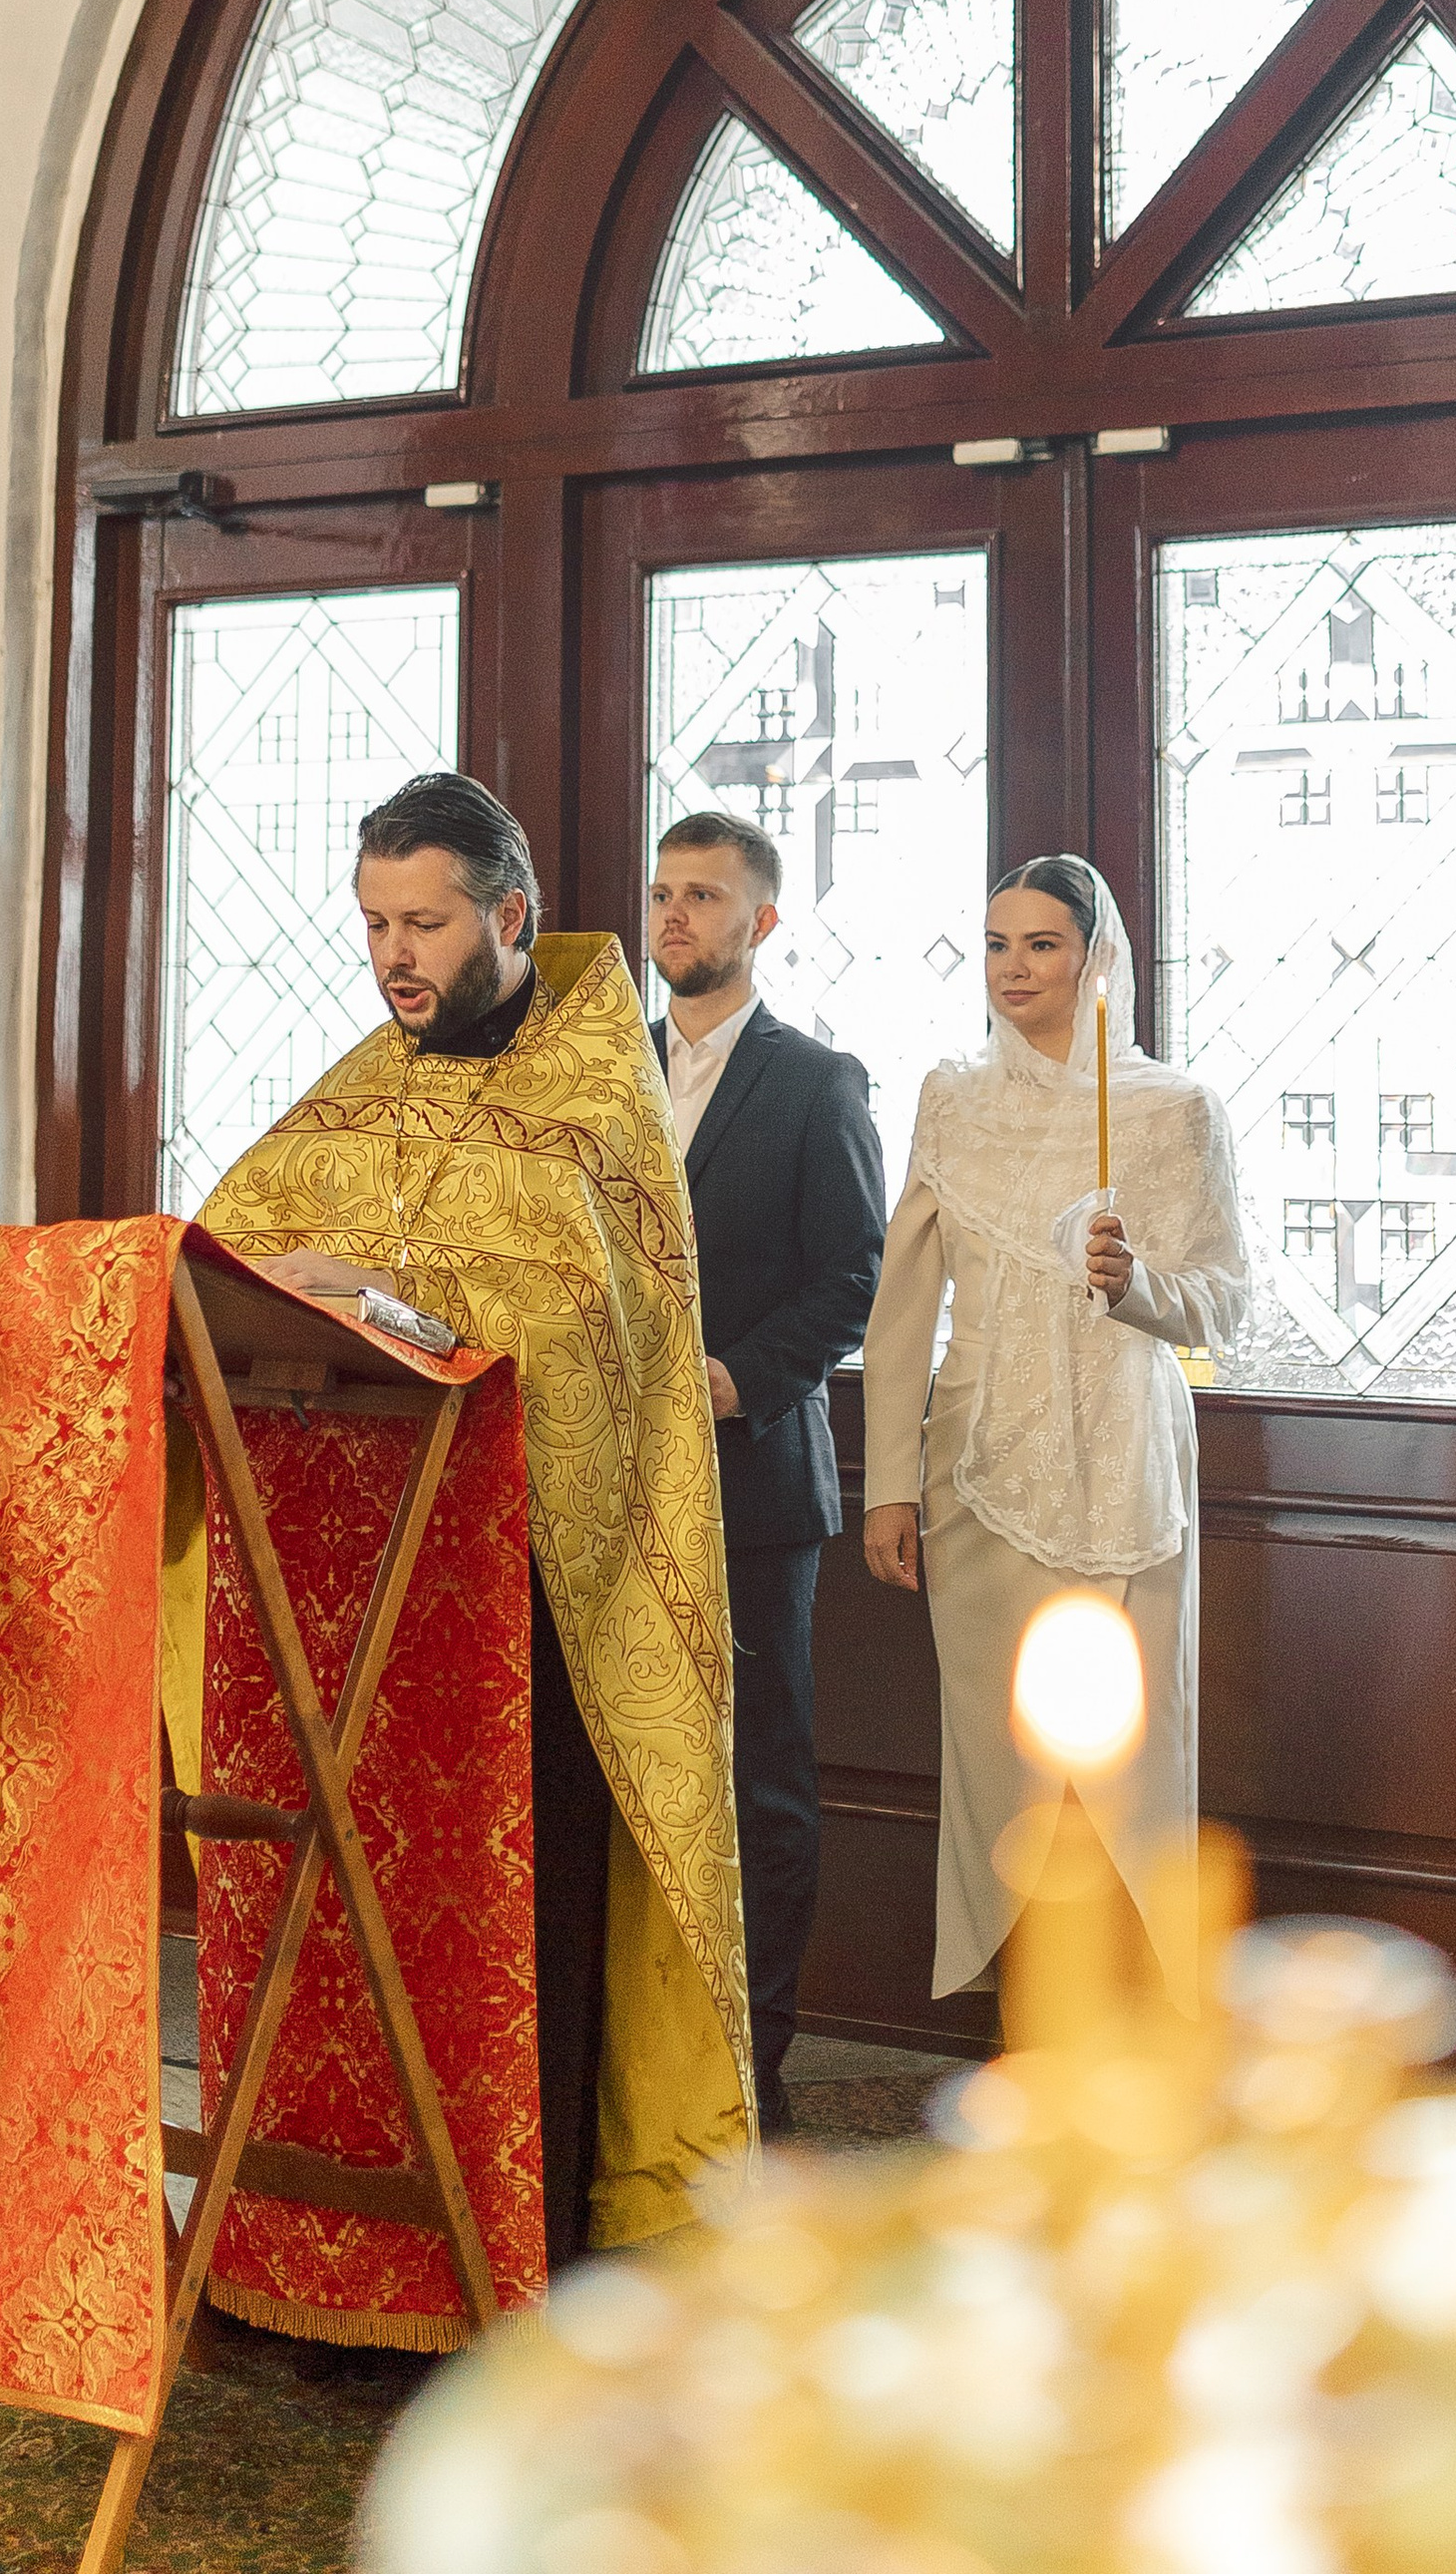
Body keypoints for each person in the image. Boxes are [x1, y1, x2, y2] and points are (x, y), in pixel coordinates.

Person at [170, 769, 752, 2274]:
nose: (393, 956)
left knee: (505, 1938)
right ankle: (305, 2250)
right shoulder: (357, 1092)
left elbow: (593, 1330)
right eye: (372, 924)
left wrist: (441, 1319)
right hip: (348, 1592)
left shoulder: (596, 1109)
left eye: (423, 921)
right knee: (338, 1944)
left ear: (508, 912)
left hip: (525, 1601)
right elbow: (219, 1256)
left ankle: (504, 2257)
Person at [859, 854, 1246, 2002]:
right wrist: (888, 1483)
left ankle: (1146, 2030)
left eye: (1041, 944)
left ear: (1096, 957)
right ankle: (1019, 2043)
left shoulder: (1174, 1110)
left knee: (1131, 1770)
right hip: (977, 1475)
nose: (1013, 968)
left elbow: (1223, 1297)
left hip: (1126, 1468)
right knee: (998, 1773)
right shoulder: (949, 1097)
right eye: (995, 943)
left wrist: (1134, 1287)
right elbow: (900, 1312)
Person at [644, 811, 887, 2133]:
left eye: (704, 896)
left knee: (757, 1785)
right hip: (609, 1486)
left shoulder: (816, 1082)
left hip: (751, 1487)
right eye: (664, 893)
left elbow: (851, 1276)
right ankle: (636, 2056)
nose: (675, 917)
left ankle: (754, 2069)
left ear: (762, 922)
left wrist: (734, 1378)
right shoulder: (604, 1075)